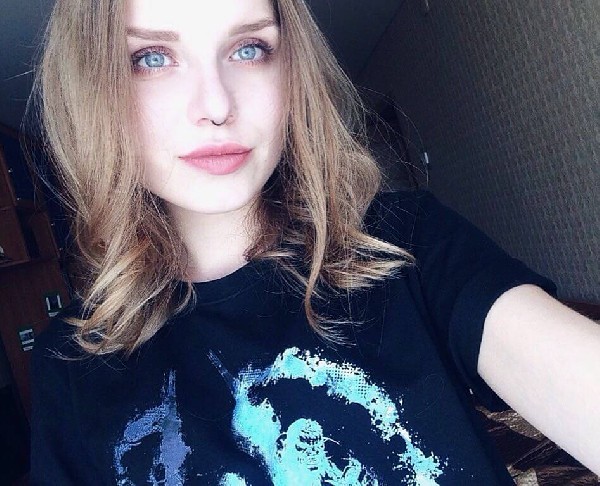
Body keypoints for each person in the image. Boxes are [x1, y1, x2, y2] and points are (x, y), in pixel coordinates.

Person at [30, 0, 600, 484]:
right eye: (152, 58)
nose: (217, 106)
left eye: (249, 49)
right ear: (93, 87)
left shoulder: (406, 245)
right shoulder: (72, 367)